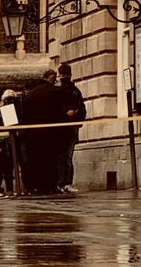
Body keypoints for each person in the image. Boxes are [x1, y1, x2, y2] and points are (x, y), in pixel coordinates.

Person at [19, 70, 63, 195]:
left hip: (34, 135)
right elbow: (60, 112)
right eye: (54, 79)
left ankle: (39, 186)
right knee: (51, 161)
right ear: (51, 78)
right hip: (51, 133)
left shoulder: (30, 95)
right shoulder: (55, 92)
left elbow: (24, 116)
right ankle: (51, 186)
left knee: (37, 161)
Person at [56, 63, 87, 193]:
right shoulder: (57, 91)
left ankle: (67, 182)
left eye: (66, 75)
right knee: (61, 156)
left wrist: (75, 114)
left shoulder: (75, 91)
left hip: (72, 127)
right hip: (60, 128)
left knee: (68, 156)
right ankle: (60, 182)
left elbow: (82, 109)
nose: (64, 77)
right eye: (62, 75)